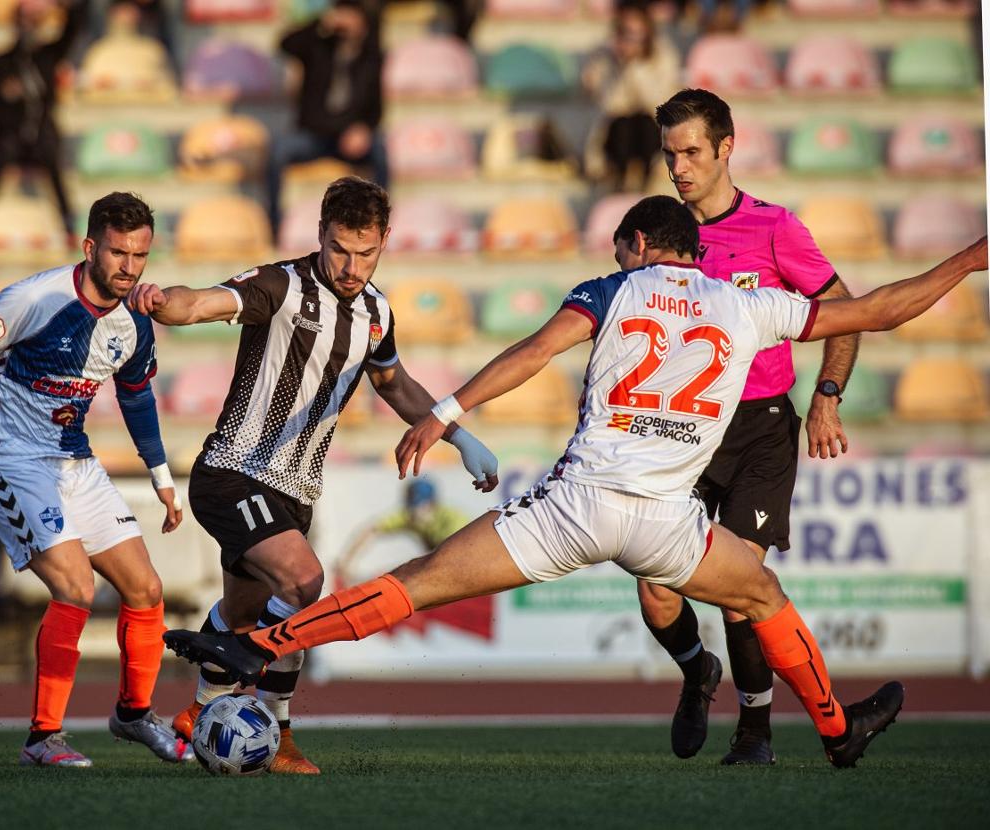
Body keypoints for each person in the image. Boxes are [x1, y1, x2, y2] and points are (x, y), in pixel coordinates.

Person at [162, 194, 988, 770]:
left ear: (635, 245)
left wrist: (446, 413)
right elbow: (882, 308)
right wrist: (974, 256)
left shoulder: (612, 286)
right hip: (669, 522)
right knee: (761, 594)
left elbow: (531, 353)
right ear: (696, 253)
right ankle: (839, 733)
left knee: (414, 584)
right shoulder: (750, 304)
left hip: (576, 507)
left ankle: (256, 644)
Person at [126, 176, 498, 774]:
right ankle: (278, 731)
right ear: (319, 235)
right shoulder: (281, 285)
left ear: (384, 243)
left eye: (366, 252)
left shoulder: (376, 312)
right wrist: (161, 301)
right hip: (233, 472)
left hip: (296, 491)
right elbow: (202, 303)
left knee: (245, 618)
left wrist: (458, 434)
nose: (352, 266)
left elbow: (394, 384)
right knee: (304, 583)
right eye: (340, 249)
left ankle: (202, 709)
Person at [0, 191, 192, 768]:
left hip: (73, 462)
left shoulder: (136, 317)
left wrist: (161, 476)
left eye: (140, 256)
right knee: (77, 588)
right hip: (7, 458)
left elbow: (136, 398)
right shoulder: (34, 299)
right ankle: (43, 737)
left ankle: (134, 715)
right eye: (117, 253)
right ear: (90, 247)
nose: (129, 267)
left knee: (147, 591)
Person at [643, 88, 863, 765]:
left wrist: (827, 394)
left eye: (691, 153)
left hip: (762, 427)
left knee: (738, 591)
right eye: (670, 154)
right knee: (655, 591)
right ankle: (695, 671)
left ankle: (755, 734)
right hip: (685, 430)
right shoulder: (662, 232)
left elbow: (842, 307)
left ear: (726, 148)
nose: (679, 168)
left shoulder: (773, 229)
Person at [266, 0, 386, 238]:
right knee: (278, 150)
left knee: (381, 151)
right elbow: (285, 44)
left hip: (348, 137)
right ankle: (274, 223)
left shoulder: (372, 57)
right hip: (313, 135)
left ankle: (379, 223)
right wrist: (321, 22)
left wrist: (363, 128)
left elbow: (376, 108)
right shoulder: (317, 45)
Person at [0, 0, 86, 238]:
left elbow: (75, 26)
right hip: (11, 135)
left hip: (42, 133)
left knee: (55, 170)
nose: (28, 27)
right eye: (24, 21)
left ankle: (68, 223)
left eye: (32, 21)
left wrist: (58, 6)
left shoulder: (48, 56)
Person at [580, 2, 680, 192]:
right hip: (615, 135)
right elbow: (609, 106)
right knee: (623, 124)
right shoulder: (603, 57)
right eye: (626, 32)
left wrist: (635, 68)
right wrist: (621, 66)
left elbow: (660, 105)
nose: (631, 40)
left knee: (644, 122)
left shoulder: (664, 55)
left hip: (651, 130)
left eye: (636, 34)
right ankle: (621, 179)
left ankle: (640, 178)